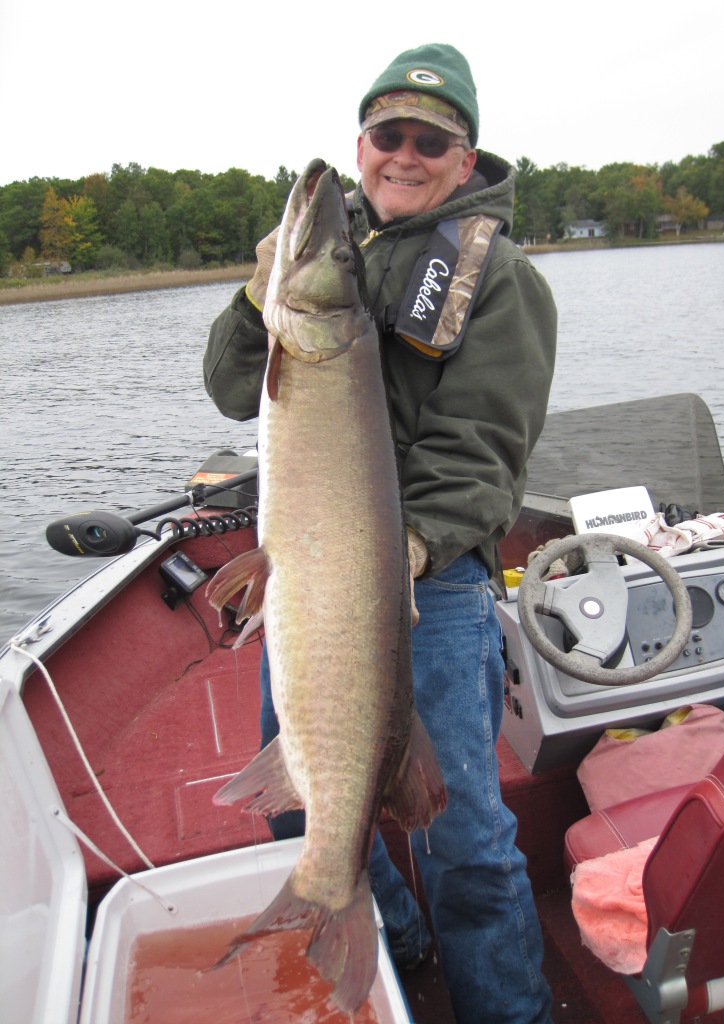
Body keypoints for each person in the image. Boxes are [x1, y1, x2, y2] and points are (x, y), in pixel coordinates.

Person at [204, 42, 557, 1024]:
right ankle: (381, 928)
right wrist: (255, 296)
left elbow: (482, 449)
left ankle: (511, 1011)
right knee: (296, 799)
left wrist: (401, 550)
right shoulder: (334, 263)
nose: (402, 155)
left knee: (465, 836)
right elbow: (236, 387)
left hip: (426, 585)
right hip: (314, 585)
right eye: (385, 134)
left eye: (428, 141)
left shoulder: (503, 279)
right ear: (364, 144)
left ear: (465, 154)